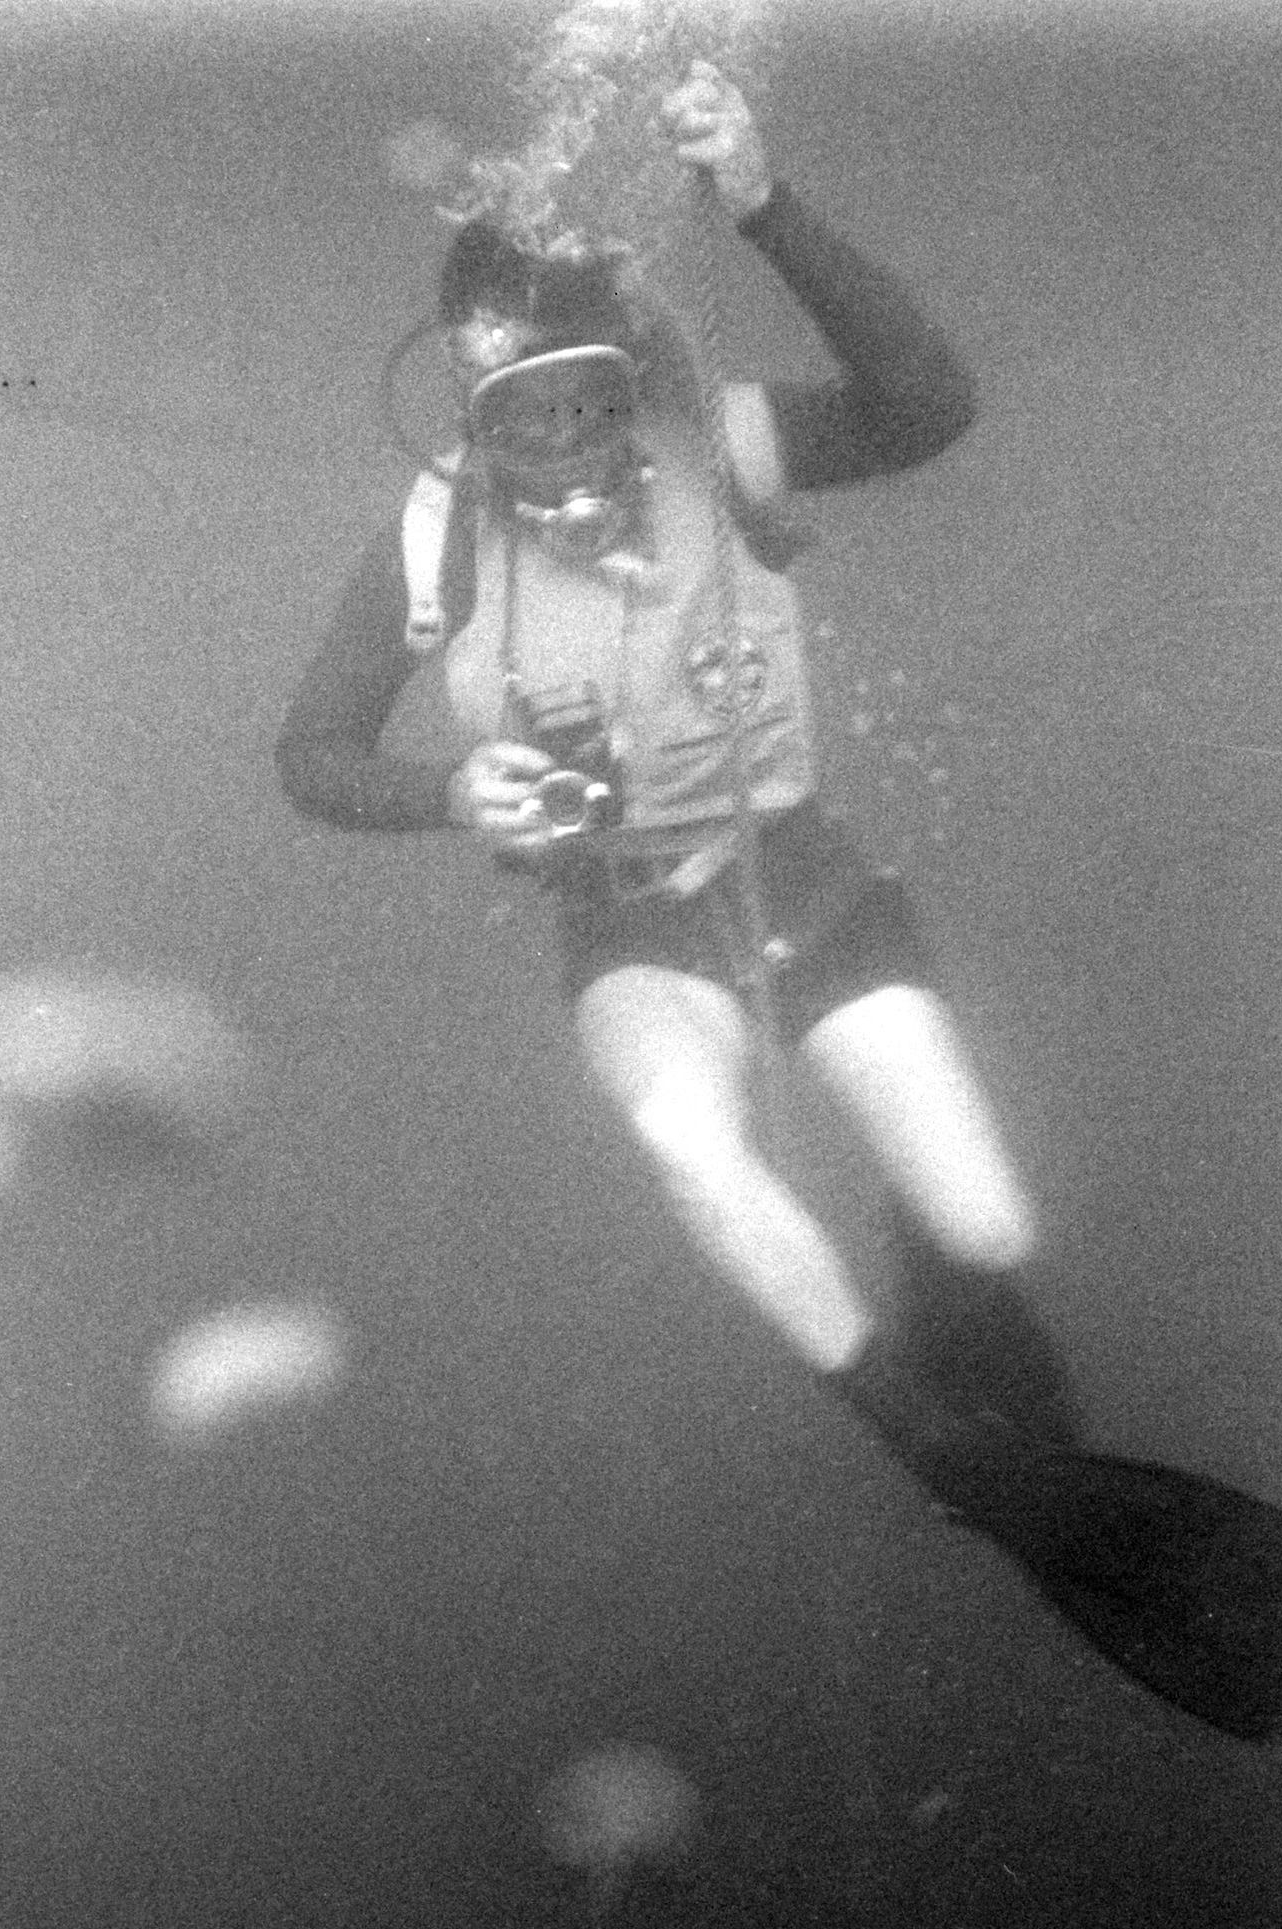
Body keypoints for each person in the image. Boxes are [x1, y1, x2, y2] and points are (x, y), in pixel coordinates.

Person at [276, 62, 1078, 1448]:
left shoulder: (721, 441)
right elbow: (312, 752)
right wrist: (450, 790)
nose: (562, 454)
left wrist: (764, 207)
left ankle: (960, 1320)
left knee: (989, 1223)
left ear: (631, 372)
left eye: (588, 402)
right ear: (468, 413)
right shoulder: (438, 533)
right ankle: (920, 1435)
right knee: (682, 1143)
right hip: (625, 920)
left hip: (810, 880)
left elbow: (929, 404)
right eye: (513, 418)